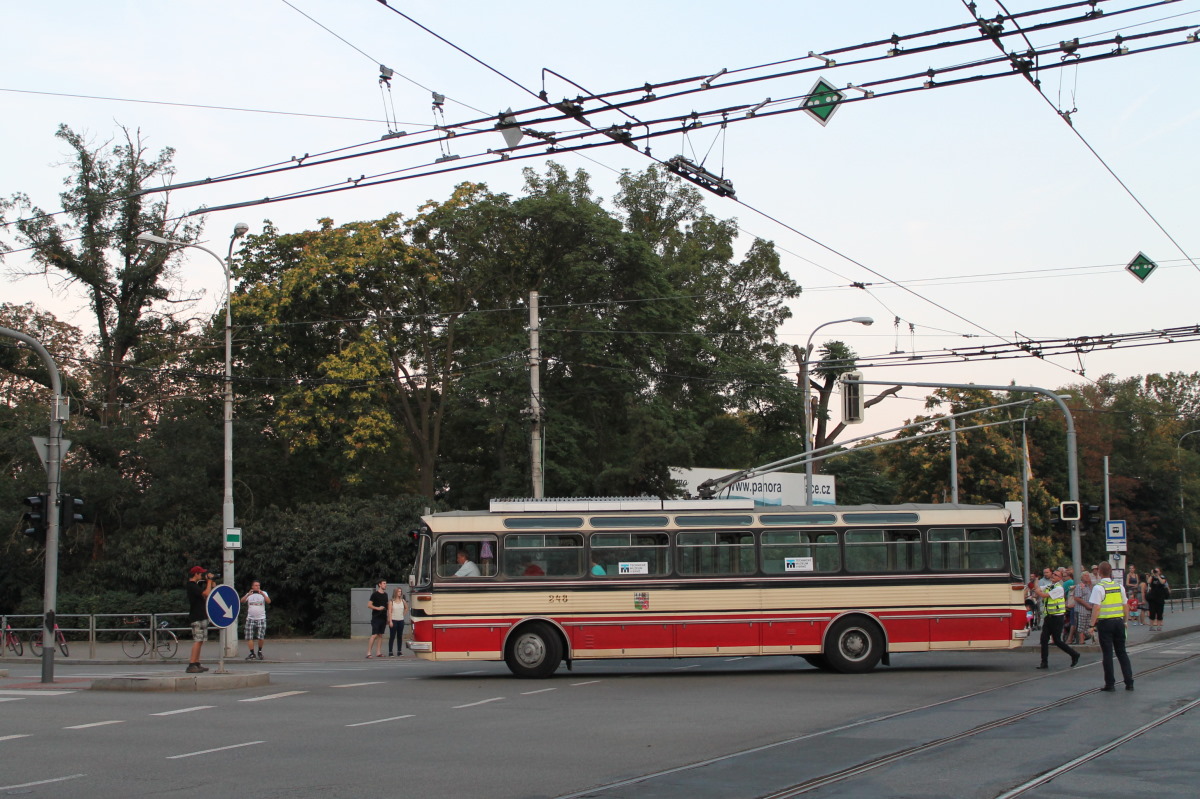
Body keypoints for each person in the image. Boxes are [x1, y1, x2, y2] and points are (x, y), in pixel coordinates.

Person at [1088, 561, 1134, 691]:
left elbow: (1096, 607)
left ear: (1100, 573)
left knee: (1107, 654)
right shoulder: (1119, 586)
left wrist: (1092, 625)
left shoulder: (1099, 587)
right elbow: (1125, 606)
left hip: (1105, 623)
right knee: (1122, 652)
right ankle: (1129, 682)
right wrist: (1125, 621)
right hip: (1119, 622)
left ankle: (1110, 684)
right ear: (1111, 572)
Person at [1032, 567, 1080, 670]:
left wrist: (1037, 589)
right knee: (1044, 639)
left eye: (1055, 575)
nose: (1053, 576)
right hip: (1049, 617)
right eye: (1053, 574)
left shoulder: (1059, 588)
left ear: (1060, 578)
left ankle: (1074, 654)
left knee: (1057, 640)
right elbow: (1038, 589)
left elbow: (1043, 595)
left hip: (1057, 618)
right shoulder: (1050, 586)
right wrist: (1036, 580)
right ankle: (1044, 662)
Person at [186, 566, 215, 674]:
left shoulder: (196, 586)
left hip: (201, 615)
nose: (202, 575)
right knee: (198, 640)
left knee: (201, 640)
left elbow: (206, 596)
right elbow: (206, 594)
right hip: (196, 616)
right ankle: (192, 664)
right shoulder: (191, 585)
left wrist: (210, 585)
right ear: (196, 574)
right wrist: (209, 581)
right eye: (201, 573)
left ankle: (197, 663)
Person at [240, 580, 271, 661]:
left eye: (259, 585)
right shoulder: (249, 594)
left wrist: (263, 594)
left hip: (261, 618)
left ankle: (260, 651)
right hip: (250, 618)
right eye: (256, 585)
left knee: (261, 636)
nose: (257, 587)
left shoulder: (263, 593)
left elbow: (268, 601)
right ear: (252, 587)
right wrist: (248, 594)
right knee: (249, 636)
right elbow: (242, 601)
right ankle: (252, 653)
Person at [1070, 571, 1094, 644]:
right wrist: (1087, 605)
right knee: (1081, 626)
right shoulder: (1079, 586)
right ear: (1081, 578)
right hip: (1081, 610)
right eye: (1085, 576)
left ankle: (1084, 639)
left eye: (1088, 576)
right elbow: (1077, 598)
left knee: (1087, 626)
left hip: (1089, 611)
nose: (1087, 577)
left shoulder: (1090, 587)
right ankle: (1081, 641)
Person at [366, 579, 387, 658]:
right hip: (376, 617)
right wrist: (378, 608)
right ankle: (368, 652)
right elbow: (369, 605)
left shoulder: (385, 595)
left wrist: (388, 618)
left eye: (385, 583)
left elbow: (387, 606)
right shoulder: (374, 594)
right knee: (374, 635)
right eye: (384, 583)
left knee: (380, 635)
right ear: (379, 585)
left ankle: (378, 652)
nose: (385, 585)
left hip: (383, 617)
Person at [1145, 567, 1170, 631]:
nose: (1156, 572)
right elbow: (1148, 582)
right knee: (1152, 612)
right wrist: (1152, 575)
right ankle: (1151, 626)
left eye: (1157, 571)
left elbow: (1162, 582)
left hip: (1160, 598)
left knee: (1159, 612)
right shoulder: (1152, 577)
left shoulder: (1162, 577)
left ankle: (1159, 626)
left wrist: (1158, 576)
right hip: (1153, 598)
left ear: (1160, 572)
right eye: (1155, 571)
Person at [387, 586, 408, 657]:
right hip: (393, 620)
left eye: (400, 592)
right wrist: (390, 621)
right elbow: (389, 611)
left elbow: (406, 608)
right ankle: (390, 651)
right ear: (395, 593)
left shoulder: (403, 601)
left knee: (400, 636)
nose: (400, 593)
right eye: (398, 592)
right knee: (392, 636)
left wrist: (403, 614)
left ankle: (399, 651)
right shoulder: (391, 602)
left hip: (401, 620)